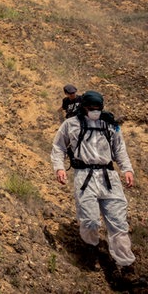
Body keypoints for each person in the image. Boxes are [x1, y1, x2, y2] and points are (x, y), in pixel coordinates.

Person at [50, 91, 137, 281]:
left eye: (98, 109)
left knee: (118, 223)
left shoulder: (110, 125)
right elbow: (58, 147)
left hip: (109, 177)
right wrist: (59, 168)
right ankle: (92, 248)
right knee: (89, 220)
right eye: (91, 109)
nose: (95, 112)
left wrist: (127, 170)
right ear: (83, 107)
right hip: (84, 176)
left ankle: (126, 266)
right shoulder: (71, 124)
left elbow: (119, 150)